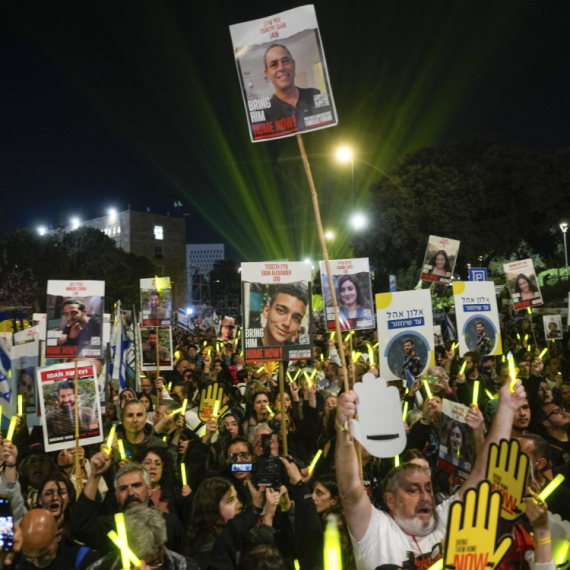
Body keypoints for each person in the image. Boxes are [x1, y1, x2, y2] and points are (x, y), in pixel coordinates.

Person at [335, 378, 527, 570]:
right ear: (390, 500)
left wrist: (507, 410)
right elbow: (350, 491)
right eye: (413, 490)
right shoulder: (376, 530)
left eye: (428, 488)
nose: (426, 497)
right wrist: (343, 428)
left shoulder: (444, 519)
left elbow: (483, 473)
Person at [86, 506, 198, 570]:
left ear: (161, 549)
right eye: (133, 563)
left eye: (153, 563)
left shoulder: (185, 567)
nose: (143, 568)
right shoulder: (99, 568)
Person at [262, 44, 322, 130]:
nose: (281, 68)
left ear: (293, 65)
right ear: (267, 74)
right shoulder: (266, 113)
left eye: (285, 61)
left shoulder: (315, 94)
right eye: (274, 64)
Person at [19, 509, 99, 569]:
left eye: (43, 555)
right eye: (29, 557)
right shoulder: (18, 560)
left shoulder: (84, 559)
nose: (36, 564)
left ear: (58, 536)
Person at [258, 283, 309, 347]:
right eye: (281, 311)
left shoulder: (296, 351)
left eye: (296, 318)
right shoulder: (248, 346)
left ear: (299, 325)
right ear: (266, 311)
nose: (287, 323)